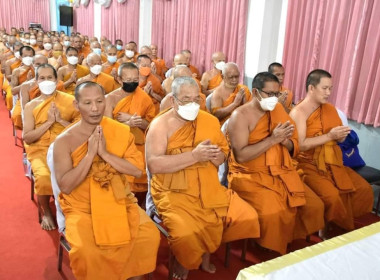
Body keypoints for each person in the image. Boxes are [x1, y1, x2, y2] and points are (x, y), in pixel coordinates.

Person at [146, 76, 260, 280]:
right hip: (172, 191)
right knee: (185, 233)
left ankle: (205, 254)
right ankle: (183, 262)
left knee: (238, 216)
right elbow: (154, 164)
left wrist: (218, 157)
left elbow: (223, 153)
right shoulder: (160, 125)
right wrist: (194, 156)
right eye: (185, 99)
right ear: (172, 100)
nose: (192, 104)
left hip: (208, 185)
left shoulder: (209, 121)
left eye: (196, 99)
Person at [53, 81, 160, 280]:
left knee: (148, 237)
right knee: (88, 252)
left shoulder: (119, 131)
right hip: (83, 209)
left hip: (119, 200)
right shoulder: (64, 141)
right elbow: (66, 186)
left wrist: (104, 153)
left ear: (106, 101)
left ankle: (132, 276)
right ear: (77, 105)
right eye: (87, 103)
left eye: (99, 101)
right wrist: (90, 154)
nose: (95, 108)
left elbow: (137, 171)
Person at [228, 72, 325, 254]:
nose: (274, 99)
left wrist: (284, 141)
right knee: (275, 213)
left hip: (282, 171)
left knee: (314, 205)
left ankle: (289, 241)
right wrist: (272, 140)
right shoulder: (239, 116)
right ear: (255, 92)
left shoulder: (279, 111)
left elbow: (293, 145)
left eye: (277, 94)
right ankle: (270, 251)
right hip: (250, 175)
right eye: (269, 94)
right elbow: (240, 156)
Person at [289, 69, 373, 236]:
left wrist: (341, 138)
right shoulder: (298, 112)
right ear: (311, 88)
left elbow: (337, 138)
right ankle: (325, 233)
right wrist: (330, 136)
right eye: (324, 88)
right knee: (333, 196)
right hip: (308, 164)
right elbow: (301, 145)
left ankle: (342, 225)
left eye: (331, 88)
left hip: (333, 162)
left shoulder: (330, 110)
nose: (328, 93)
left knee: (363, 189)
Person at [23, 63, 80, 230]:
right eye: (42, 78)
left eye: (50, 78)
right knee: (43, 177)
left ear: (56, 80)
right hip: (39, 149)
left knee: (79, 174)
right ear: (36, 81)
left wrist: (60, 120)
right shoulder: (31, 106)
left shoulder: (70, 101)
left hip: (66, 147)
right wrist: (49, 122)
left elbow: (81, 129)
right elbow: (27, 137)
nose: (46, 81)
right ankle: (46, 210)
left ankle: (74, 208)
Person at [104, 63, 155, 195]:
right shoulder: (110, 98)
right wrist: (128, 123)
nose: (132, 83)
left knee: (142, 183)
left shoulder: (144, 98)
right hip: (118, 147)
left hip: (139, 146)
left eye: (135, 80)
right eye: (128, 80)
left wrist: (134, 120)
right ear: (119, 79)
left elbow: (150, 125)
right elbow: (108, 128)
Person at [10, 45, 36, 129]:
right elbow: (13, 91)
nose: (28, 58)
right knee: (17, 115)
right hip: (21, 99)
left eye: (30, 56)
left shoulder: (38, 70)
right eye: (25, 56)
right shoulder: (16, 71)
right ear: (21, 57)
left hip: (37, 97)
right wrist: (26, 83)